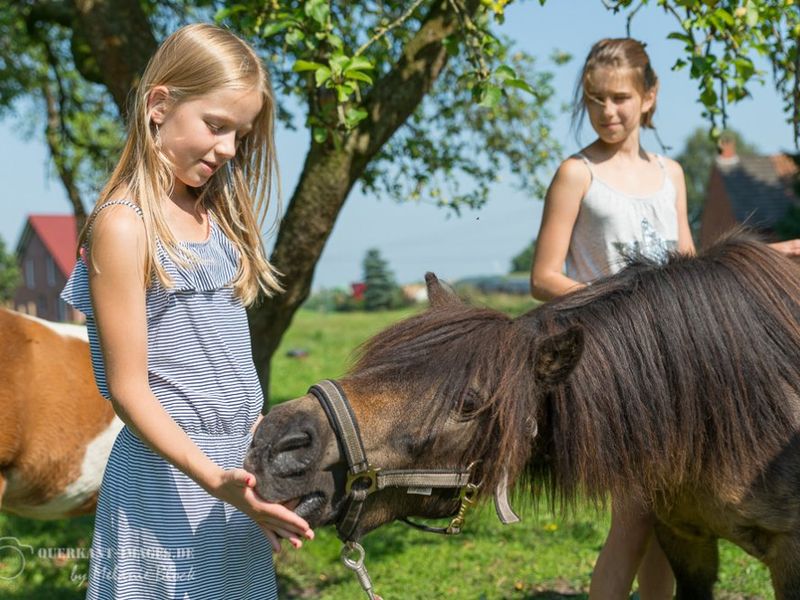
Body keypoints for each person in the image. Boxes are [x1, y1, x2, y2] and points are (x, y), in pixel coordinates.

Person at [61, 24, 313, 599]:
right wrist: (217, 482)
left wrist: (261, 467)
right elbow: (130, 391)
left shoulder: (218, 220)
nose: (227, 149)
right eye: (216, 125)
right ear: (159, 105)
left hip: (235, 475)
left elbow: (232, 375)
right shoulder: (124, 226)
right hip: (166, 482)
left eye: (239, 135)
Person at [530, 38, 690, 600]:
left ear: (649, 97)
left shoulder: (672, 174)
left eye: (620, 97)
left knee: (668, 521)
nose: (608, 112)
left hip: (672, 363)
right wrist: (627, 305)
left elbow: (689, 268)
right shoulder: (578, 173)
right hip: (611, 362)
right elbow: (544, 277)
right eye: (596, 99)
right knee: (636, 515)